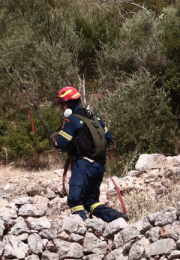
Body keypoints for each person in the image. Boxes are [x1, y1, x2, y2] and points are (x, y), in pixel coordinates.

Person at [51, 86, 128, 222]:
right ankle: (117, 218)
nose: (61, 108)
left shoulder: (72, 120)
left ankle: (85, 230)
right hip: (99, 165)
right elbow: (108, 138)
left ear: (68, 104)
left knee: (75, 200)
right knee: (90, 201)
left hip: (84, 165)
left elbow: (62, 143)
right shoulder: (96, 118)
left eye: (62, 105)